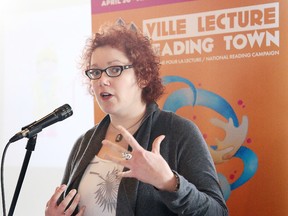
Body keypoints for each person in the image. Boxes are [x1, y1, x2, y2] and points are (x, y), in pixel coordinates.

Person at [45, 23, 228, 216]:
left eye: (114, 69)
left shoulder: (178, 132)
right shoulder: (84, 143)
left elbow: (217, 212)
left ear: (143, 76)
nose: (102, 80)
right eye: (95, 72)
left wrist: (168, 182)